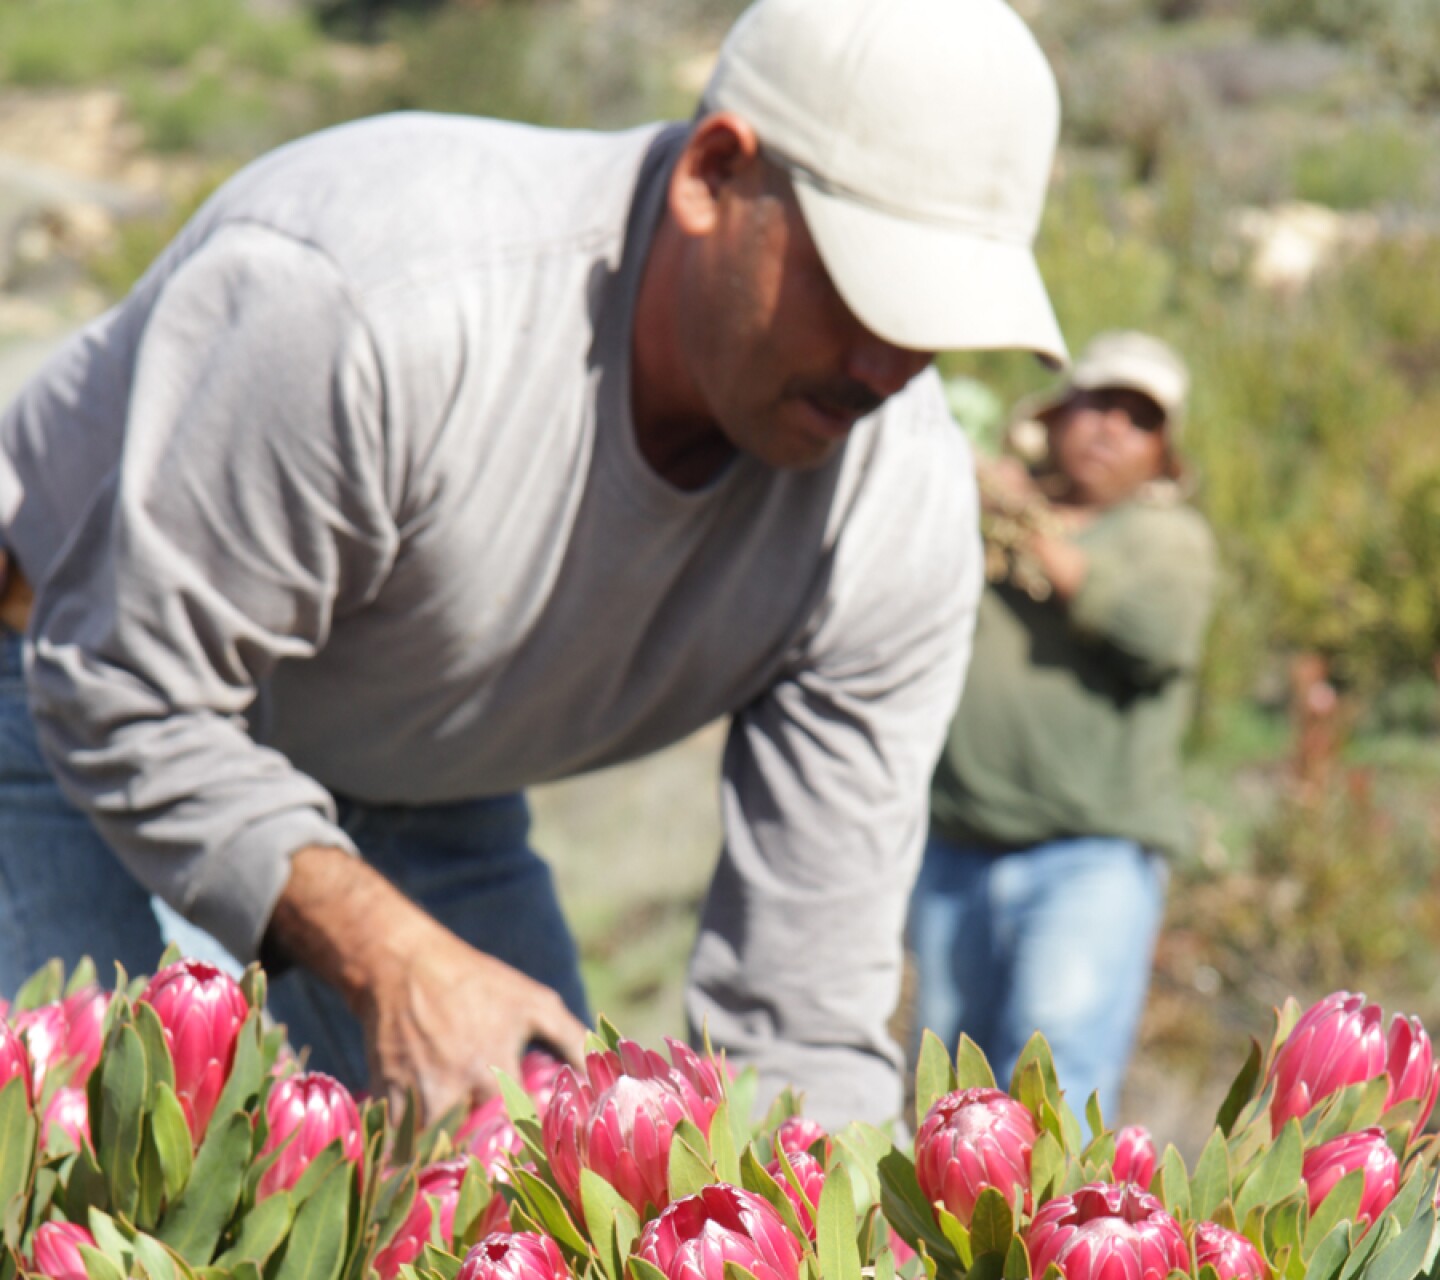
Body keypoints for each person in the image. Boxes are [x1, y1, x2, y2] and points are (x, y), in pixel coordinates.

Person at [0, 0, 1067, 1130]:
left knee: (546, 1181)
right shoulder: (373, 303)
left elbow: (798, 1014)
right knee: (70, 1155)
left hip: (417, 783)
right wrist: (388, 956)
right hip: (50, 688)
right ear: (714, 174)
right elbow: (123, 687)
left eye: (940, 316)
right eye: (868, 288)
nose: (887, 363)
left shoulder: (894, 506)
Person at [908, 331, 1217, 1124]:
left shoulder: (1164, 540)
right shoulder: (971, 518)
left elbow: (1150, 633)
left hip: (1087, 862)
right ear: (1054, 415)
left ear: (1164, 453)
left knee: (1056, 1091)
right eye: (1095, 405)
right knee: (950, 1104)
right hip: (952, 852)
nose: (1109, 428)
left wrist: (1015, 511)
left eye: (1137, 419)